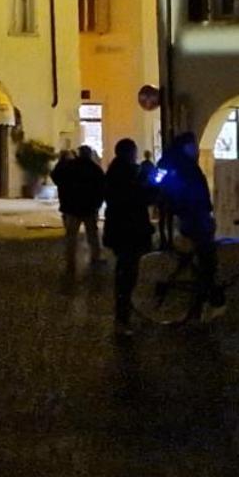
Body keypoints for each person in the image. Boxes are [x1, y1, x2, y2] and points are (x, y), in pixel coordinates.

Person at [154, 133, 221, 320]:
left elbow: (158, 182)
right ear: (186, 146)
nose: (197, 149)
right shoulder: (186, 165)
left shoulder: (172, 162)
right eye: (194, 145)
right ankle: (213, 301)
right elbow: (196, 192)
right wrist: (205, 211)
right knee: (208, 260)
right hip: (193, 216)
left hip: (185, 214)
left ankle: (200, 300)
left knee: (199, 257)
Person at [102, 138, 154, 338]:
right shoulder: (127, 174)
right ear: (129, 153)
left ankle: (124, 315)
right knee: (126, 274)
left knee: (125, 272)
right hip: (129, 230)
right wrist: (150, 187)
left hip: (120, 230)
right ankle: (122, 319)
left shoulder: (116, 171)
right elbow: (138, 198)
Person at [54, 145, 106, 277]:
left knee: (71, 237)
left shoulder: (70, 167)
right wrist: (97, 204)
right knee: (92, 235)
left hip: (72, 207)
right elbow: (102, 187)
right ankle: (95, 258)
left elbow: (56, 177)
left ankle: (70, 263)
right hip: (89, 208)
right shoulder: (94, 169)